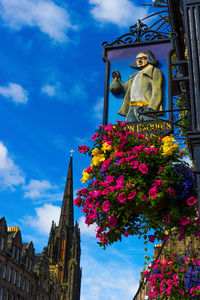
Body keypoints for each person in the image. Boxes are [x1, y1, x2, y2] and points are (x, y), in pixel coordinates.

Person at [109, 50, 163, 122]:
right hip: (132, 108)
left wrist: (152, 108)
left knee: (150, 129)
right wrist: (117, 79)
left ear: (149, 59)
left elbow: (157, 91)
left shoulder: (155, 71)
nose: (139, 60)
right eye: (138, 59)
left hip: (146, 107)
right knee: (128, 131)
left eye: (143, 58)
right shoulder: (135, 75)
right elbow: (123, 89)